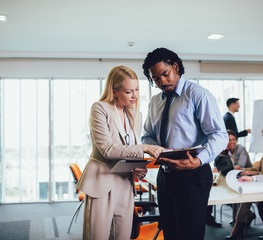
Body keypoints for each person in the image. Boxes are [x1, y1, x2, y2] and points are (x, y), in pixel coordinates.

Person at [141, 48, 228, 240]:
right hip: (165, 176)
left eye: (165, 74)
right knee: (170, 233)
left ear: (176, 67)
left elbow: (220, 135)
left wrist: (198, 161)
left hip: (193, 175)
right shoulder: (155, 102)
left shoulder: (198, 95)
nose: (162, 82)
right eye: (155, 79)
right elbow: (147, 136)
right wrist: (154, 148)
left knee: (190, 235)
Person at [76, 66, 164, 240]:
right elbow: (107, 149)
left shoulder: (135, 114)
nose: (135, 96)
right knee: (97, 236)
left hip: (125, 182)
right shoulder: (100, 109)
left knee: (122, 236)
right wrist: (144, 148)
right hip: (102, 181)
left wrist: (139, 167)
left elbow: (131, 148)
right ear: (115, 91)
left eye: (137, 90)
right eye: (128, 91)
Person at [225, 127, 263, 240]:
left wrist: (253, 174)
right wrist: (246, 171)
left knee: (261, 205)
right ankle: (235, 233)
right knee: (246, 198)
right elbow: (256, 168)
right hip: (261, 187)